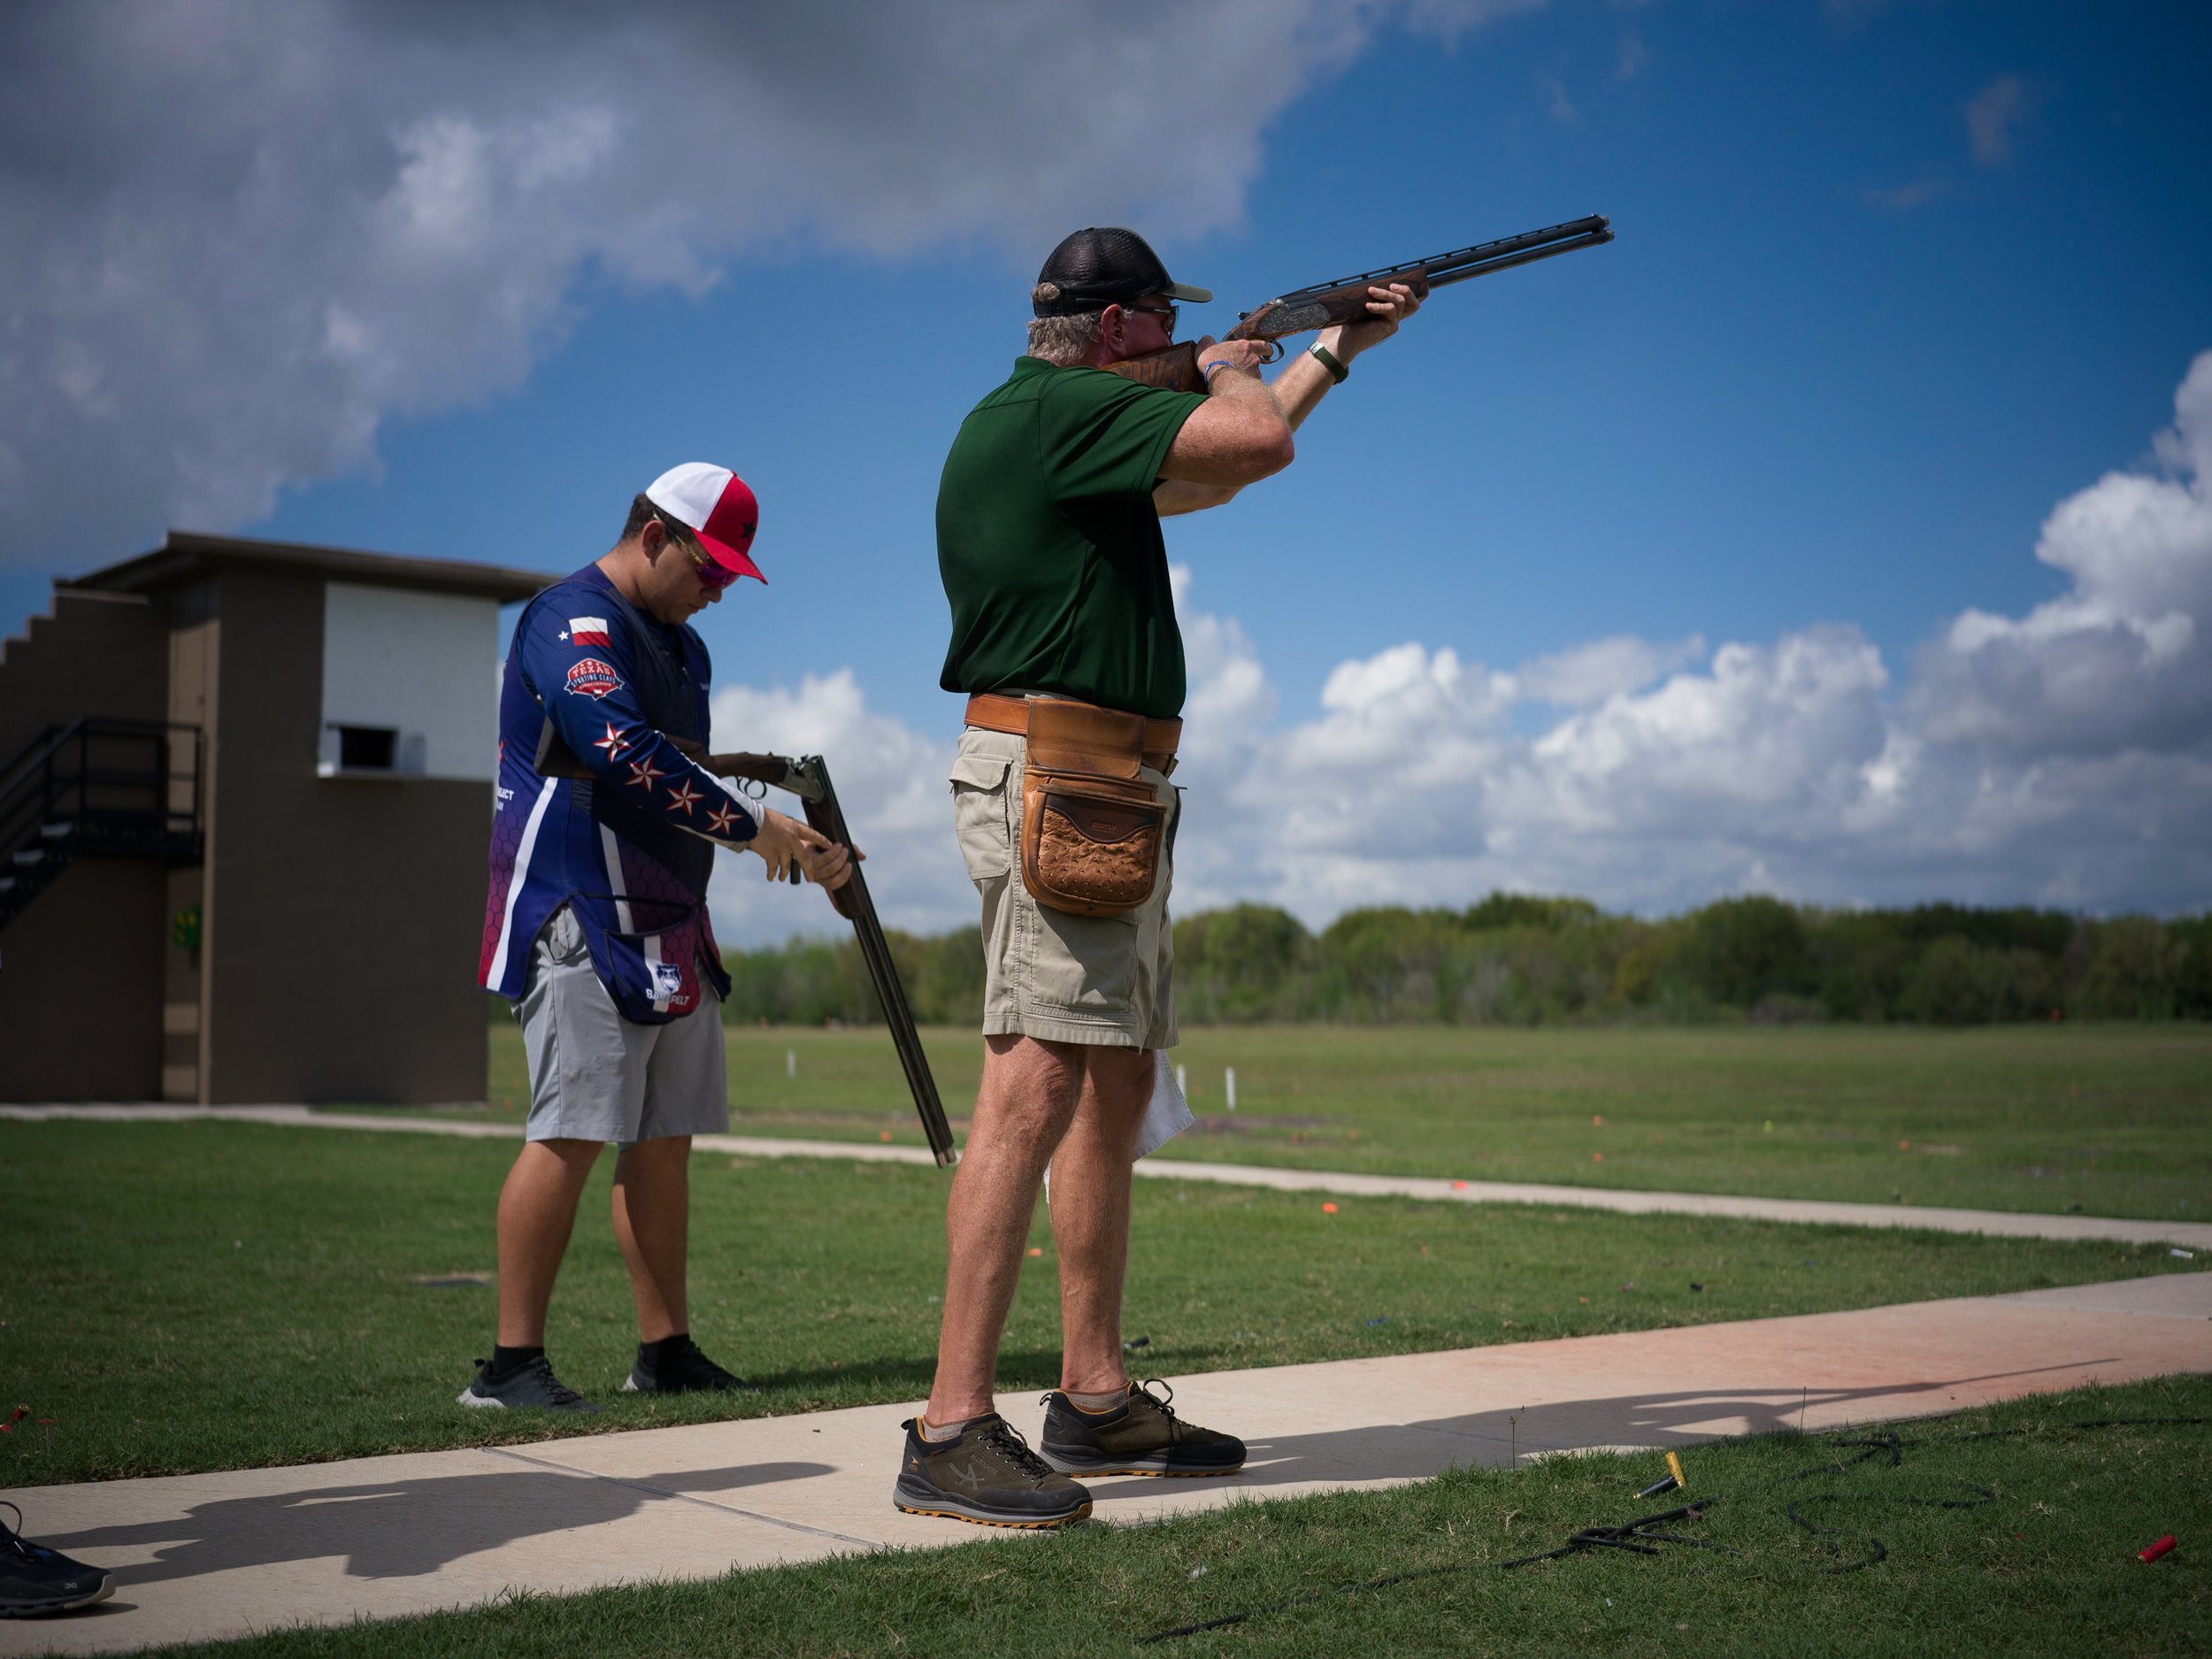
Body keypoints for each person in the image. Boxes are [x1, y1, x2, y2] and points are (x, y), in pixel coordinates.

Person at [897, 229, 1419, 1525]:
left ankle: (1092, 1392)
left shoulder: (1065, 423)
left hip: (1107, 786)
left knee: (1113, 1079)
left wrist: (1333, 350)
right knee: (1034, 1075)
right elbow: (1252, 442)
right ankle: (951, 1423)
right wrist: (1241, 362)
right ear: (1127, 327)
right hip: (1057, 775)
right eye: (1165, 325)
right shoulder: (1055, 410)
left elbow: (1214, 476)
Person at [464, 463, 851, 1411]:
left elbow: (679, 775)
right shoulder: (570, 619)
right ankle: (508, 1367)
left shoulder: (685, 649)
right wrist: (755, 827)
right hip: (577, 910)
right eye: (708, 566)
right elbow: (614, 748)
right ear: (652, 536)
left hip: (670, 918)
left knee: (664, 1139)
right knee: (568, 1134)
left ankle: (664, 1351)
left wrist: (783, 831)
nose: (719, 588)